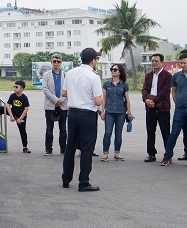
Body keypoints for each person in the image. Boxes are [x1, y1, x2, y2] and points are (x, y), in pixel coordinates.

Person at [61, 48, 104, 190]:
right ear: (93, 60)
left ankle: (66, 179)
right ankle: (83, 182)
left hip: (72, 113)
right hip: (87, 115)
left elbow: (64, 93)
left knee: (70, 147)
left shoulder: (71, 73)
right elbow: (98, 101)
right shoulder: (93, 76)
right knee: (86, 149)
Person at [161, 51, 187, 167]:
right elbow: (173, 91)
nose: (182, 65)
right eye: (181, 63)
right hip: (180, 108)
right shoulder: (176, 76)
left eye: (184, 63)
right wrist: (177, 102)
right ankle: (167, 156)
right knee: (174, 132)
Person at [140, 53, 171, 162]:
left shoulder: (167, 75)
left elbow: (165, 91)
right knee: (150, 131)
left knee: (165, 132)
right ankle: (151, 154)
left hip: (162, 107)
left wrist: (154, 100)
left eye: (156, 61)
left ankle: (168, 154)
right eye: (152, 61)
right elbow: (144, 90)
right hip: (150, 107)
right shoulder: (148, 75)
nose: (153, 63)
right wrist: (146, 100)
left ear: (162, 63)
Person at [100, 63, 132, 161]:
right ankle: (105, 153)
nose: (113, 71)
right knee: (107, 133)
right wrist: (102, 111)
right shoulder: (106, 84)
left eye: (115, 69)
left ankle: (117, 153)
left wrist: (129, 113)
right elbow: (104, 98)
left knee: (118, 134)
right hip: (109, 111)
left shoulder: (124, 84)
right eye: (112, 69)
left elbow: (127, 99)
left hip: (120, 112)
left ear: (120, 72)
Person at [41, 54, 67, 156]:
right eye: (54, 61)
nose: (56, 63)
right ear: (51, 62)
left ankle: (64, 149)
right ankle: (48, 149)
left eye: (58, 61)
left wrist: (62, 100)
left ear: (61, 63)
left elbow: (68, 89)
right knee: (49, 129)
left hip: (63, 105)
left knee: (63, 129)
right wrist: (56, 100)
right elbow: (45, 90)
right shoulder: (46, 75)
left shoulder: (65, 75)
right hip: (50, 105)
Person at [4, 80, 32, 153]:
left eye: (16, 87)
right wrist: (11, 116)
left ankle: (25, 147)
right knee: (1, 109)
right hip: (14, 112)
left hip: (21, 115)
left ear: (22, 89)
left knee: (22, 131)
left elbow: (26, 109)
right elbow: (8, 105)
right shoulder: (12, 96)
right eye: (14, 86)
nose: (14, 88)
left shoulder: (24, 97)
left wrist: (19, 119)